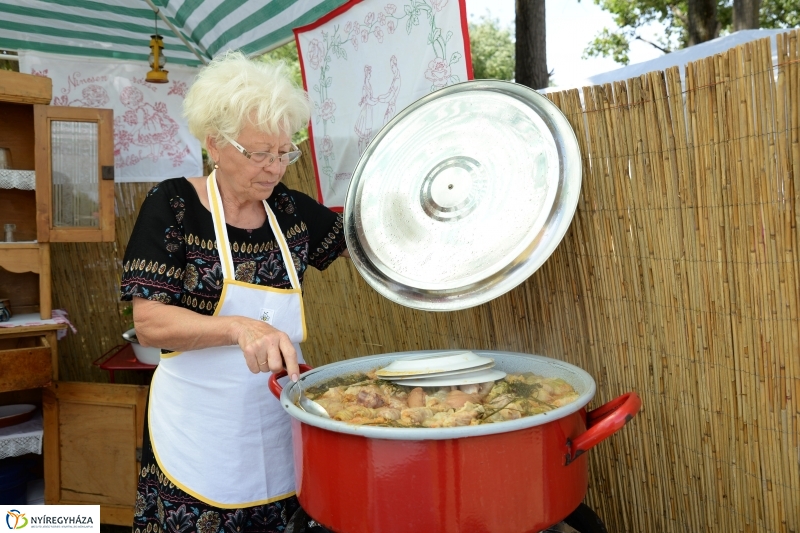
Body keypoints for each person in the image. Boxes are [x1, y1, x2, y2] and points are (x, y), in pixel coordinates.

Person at [120, 50, 347, 533]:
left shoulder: (290, 209)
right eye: (259, 153)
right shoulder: (175, 205)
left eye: (283, 153)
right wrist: (240, 327)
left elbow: (372, 246)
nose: (274, 168)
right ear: (214, 144)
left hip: (278, 428)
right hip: (198, 436)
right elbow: (151, 322)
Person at [354, 64, 377, 154]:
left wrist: (374, 100)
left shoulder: (368, 84)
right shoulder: (365, 86)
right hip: (366, 111)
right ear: (367, 74)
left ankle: (368, 153)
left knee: (367, 135)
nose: (370, 75)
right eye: (369, 73)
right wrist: (374, 102)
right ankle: (360, 152)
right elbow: (367, 99)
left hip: (369, 110)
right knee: (362, 135)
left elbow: (369, 98)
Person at [378, 56, 401, 126]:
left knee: (387, 125)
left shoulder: (397, 80)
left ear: (395, 65)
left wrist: (381, 100)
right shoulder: (395, 78)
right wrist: (380, 97)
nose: (392, 69)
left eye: (392, 66)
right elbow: (389, 93)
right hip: (390, 107)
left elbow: (390, 97)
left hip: (391, 108)